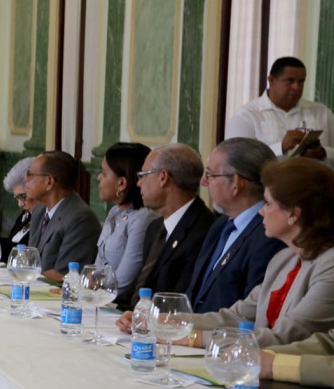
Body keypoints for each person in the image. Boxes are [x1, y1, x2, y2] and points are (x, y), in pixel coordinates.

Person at [119, 158, 334, 348]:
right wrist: (158, 319)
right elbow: (235, 316)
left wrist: (193, 338)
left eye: (268, 203)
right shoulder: (283, 260)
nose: (261, 211)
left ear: (294, 214)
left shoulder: (329, 265)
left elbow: (289, 336)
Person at [187, 138, 286, 313]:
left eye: (210, 175)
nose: (204, 182)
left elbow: (254, 311)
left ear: (236, 183)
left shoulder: (269, 235)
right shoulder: (220, 225)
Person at [124, 143, 216, 306]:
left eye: (143, 175)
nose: (139, 183)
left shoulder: (204, 230)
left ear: (163, 177)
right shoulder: (154, 228)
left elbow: (180, 302)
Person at [224, 56, 334, 159]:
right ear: (271, 80)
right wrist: (280, 148)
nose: (296, 87)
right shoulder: (247, 115)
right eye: (289, 81)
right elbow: (236, 158)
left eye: (301, 82)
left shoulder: (322, 112)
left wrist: (323, 152)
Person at [24, 151, 101, 281]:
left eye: (30, 175)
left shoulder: (80, 219)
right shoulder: (40, 210)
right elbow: (29, 263)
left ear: (49, 182)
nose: (26, 179)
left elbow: (63, 276)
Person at [94, 142, 153, 298]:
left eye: (104, 173)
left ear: (122, 183)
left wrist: (91, 287)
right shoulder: (114, 212)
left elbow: (122, 284)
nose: (98, 177)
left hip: (119, 305)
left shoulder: (141, 219)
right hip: (98, 297)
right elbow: (95, 269)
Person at [0, 156, 36, 261]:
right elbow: (12, 243)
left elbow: (28, 255)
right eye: (17, 198)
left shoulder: (49, 219)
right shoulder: (27, 214)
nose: (20, 204)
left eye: (23, 196)